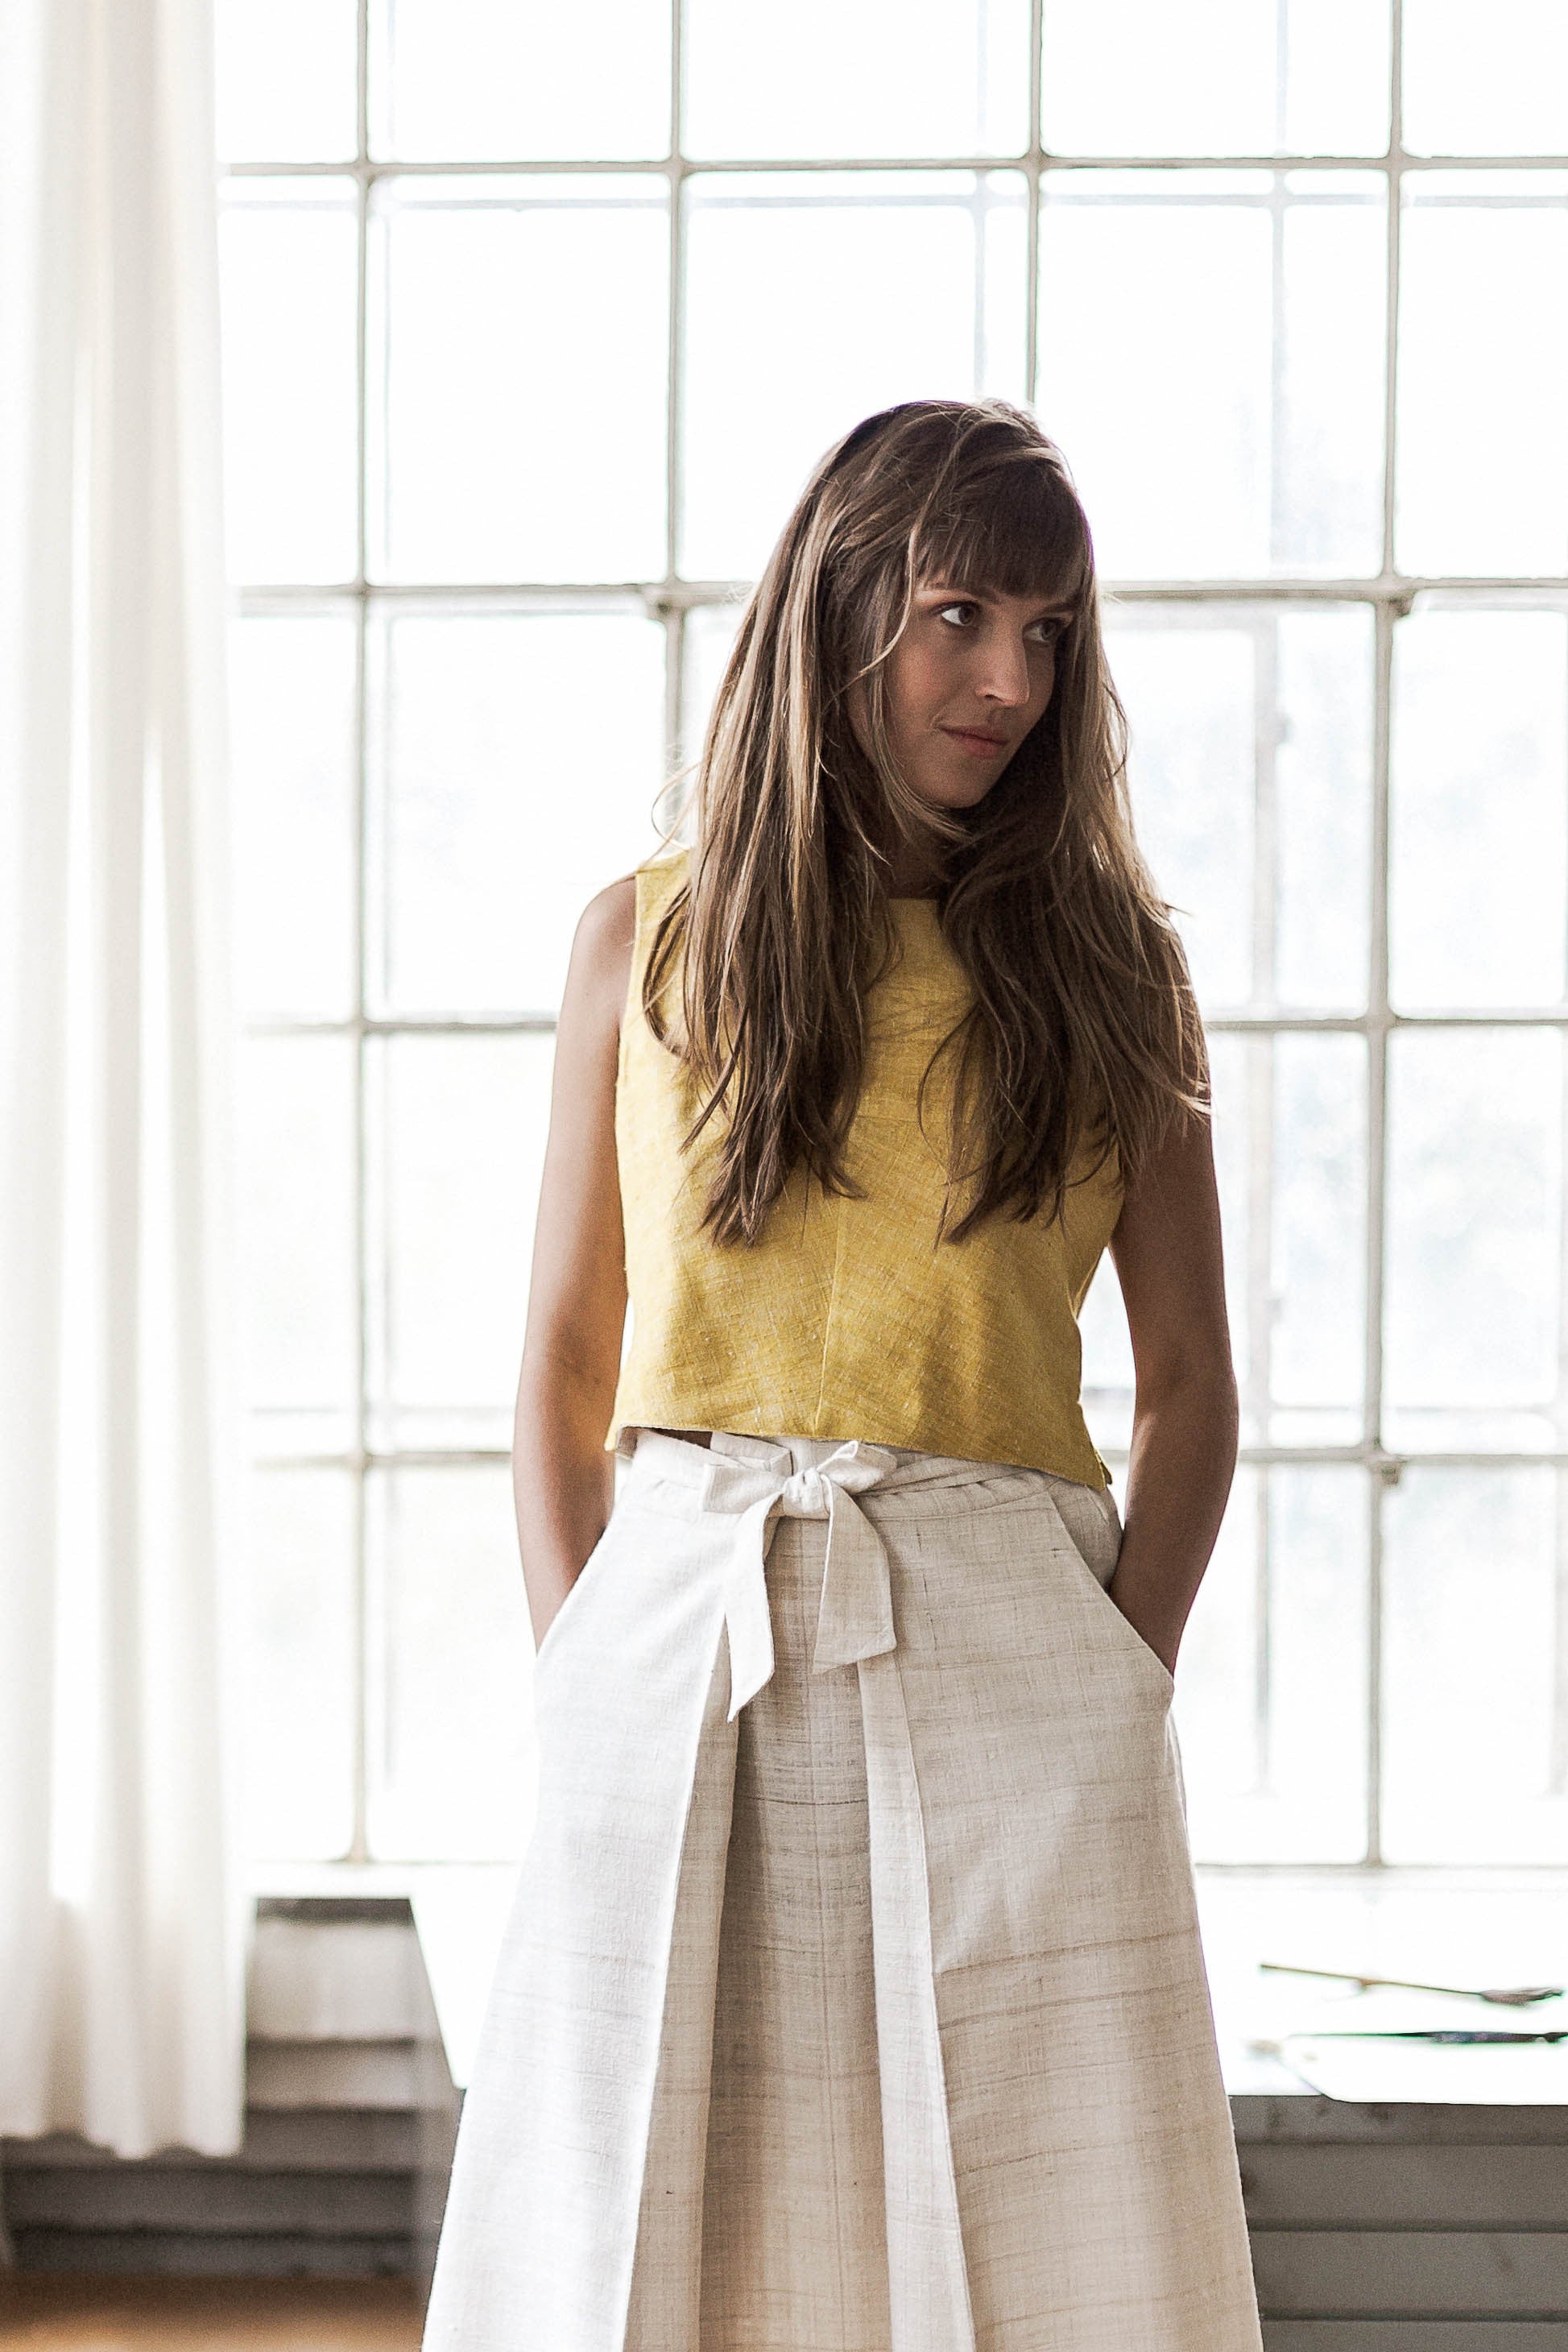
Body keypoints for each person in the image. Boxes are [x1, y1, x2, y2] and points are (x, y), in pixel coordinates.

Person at [420, 399, 1264, 2351]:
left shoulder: (1110, 968)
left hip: (1009, 1634)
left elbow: (1193, 1383)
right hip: (679, 1632)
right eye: (960, 612)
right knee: (639, 2230)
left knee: (1043, 2239)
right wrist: (579, 1657)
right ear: (835, 609)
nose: (1006, 680)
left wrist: (1115, 1674)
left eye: (1048, 633)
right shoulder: (648, 940)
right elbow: (565, 1348)